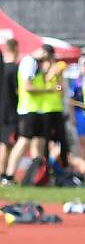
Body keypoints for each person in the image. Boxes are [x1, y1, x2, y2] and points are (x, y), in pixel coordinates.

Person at [2, 46, 54, 184]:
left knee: (39, 143)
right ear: (44, 53)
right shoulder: (29, 62)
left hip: (38, 109)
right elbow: (27, 86)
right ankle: (9, 175)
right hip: (28, 109)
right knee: (23, 141)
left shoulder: (37, 65)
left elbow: (58, 88)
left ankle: (36, 175)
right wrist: (48, 89)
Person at [41, 45, 70, 167]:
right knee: (45, 140)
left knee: (62, 139)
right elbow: (41, 86)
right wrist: (50, 74)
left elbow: (61, 90)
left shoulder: (57, 68)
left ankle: (65, 166)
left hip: (57, 108)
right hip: (44, 109)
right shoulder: (41, 68)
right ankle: (45, 167)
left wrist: (58, 79)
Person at [0, 39, 20, 179]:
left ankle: (4, 173)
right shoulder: (14, 69)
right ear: (16, 49)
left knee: (5, 143)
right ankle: (4, 174)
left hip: (2, 110)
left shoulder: (3, 68)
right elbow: (19, 90)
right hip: (11, 111)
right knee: (6, 144)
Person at [69, 55, 85, 160]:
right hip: (81, 113)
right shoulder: (77, 81)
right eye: (84, 65)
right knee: (83, 140)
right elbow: (71, 99)